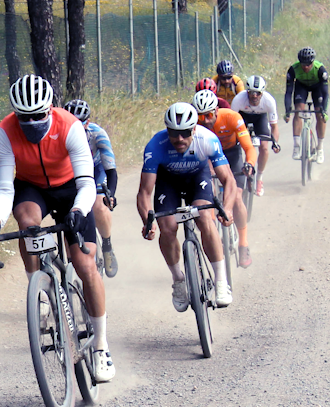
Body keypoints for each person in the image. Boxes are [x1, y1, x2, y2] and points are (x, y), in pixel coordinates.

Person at [0, 75, 114, 383]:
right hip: (32, 188)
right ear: (15, 114)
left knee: (84, 264)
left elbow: (86, 183)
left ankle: (102, 345)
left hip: (71, 188)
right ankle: (39, 290)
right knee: (28, 227)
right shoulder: (5, 131)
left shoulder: (69, 125)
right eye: (24, 118)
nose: (32, 123)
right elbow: (4, 187)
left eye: (38, 115)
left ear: (50, 108)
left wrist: (80, 211)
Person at [136, 102, 237, 309]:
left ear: (193, 129)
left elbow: (229, 180)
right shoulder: (156, 145)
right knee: (167, 227)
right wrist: (147, 222)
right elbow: (144, 192)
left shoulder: (207, 139)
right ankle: (178, 279)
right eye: (174, 133)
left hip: (197, 178)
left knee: (205, 219)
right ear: (167, 130)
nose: (179, 139)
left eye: (184, 133)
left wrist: (227, 208)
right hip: (168, 181)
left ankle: (220, 281)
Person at [192, 90, 256, 268]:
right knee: (207, 191)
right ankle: (212, 230)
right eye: (200, 116)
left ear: (217, 110)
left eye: (210, 115)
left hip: (231, 154)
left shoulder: (232, 117)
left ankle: (243, 244)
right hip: (208, 156)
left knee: (236, 196)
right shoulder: (194, 124)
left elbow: (249, 147)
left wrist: (249, 163)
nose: (205, 120)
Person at [64, 98, 119, 278]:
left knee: (98, 205)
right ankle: (72, 262)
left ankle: (107, 246)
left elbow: (111, 171)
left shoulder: (98, 134)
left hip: (96, 170)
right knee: (67, 214)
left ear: (87, 122)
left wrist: (110, 195)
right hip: (72, 171)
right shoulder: (60, 133)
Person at [229, 75, 281, 196]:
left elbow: (274, 126)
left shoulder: (269, 101)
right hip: (243, 117)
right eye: (251, 93)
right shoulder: (238, 99)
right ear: (247, 91)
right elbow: (232, 123)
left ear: (262, 93)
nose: (254, 96)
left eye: (258, 93)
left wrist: (275, 143)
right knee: (235, 144)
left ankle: (259, 178)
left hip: (260, 118)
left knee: (264, 147)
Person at [284, 47, 329, 163]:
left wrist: (325, 111)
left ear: (313, 62)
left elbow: (325, 93)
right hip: (301, 87)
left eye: (308, 64)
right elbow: (288, 92)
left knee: (320, 115)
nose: (306, 67)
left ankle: (320, 148)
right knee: (298, 111)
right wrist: (288, 110)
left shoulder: (320, 70)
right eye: (303, 64)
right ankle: (297, 146)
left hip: (317, 87)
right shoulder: (293, 69)